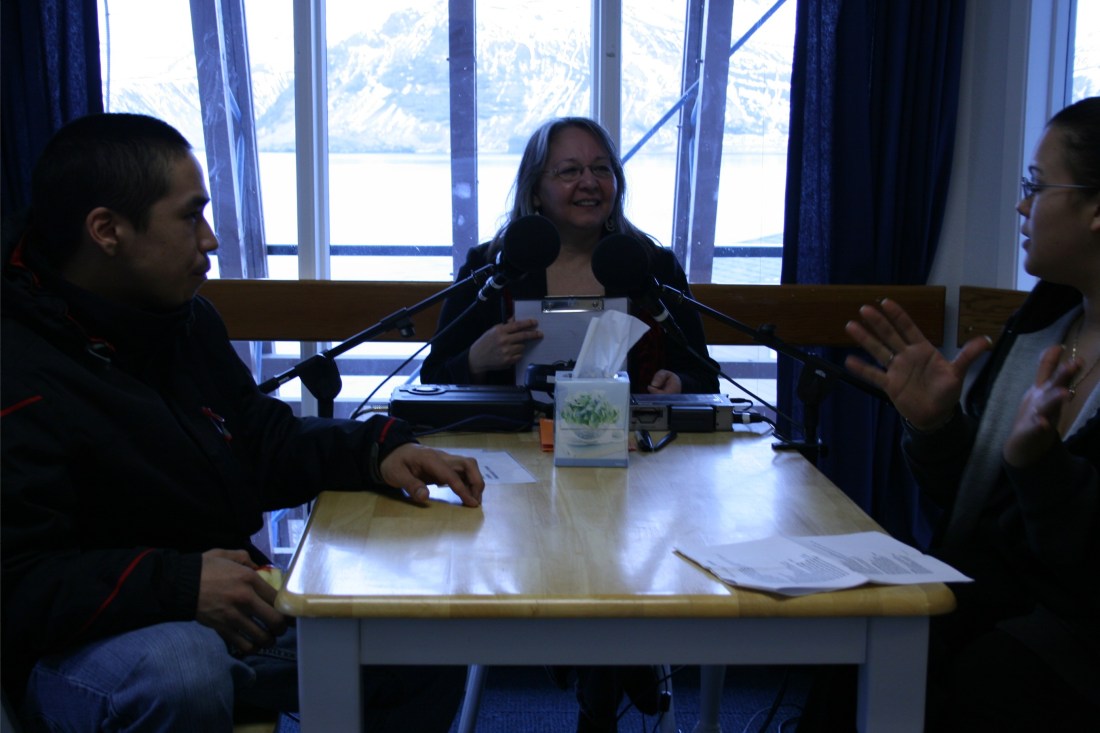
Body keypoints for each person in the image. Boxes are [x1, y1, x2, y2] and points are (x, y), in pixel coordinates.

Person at [0, 113, 486, 732]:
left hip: (198, 599)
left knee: (414, 637)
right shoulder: (17, 367)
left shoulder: (180, 322)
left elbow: (258, 441)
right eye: (189, 216)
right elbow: (17, 584)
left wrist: (375, 451)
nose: (210, 240)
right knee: (186, 671)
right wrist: (177, 587)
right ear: (107, 230)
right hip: (72, 651)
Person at [801, 97, 1100, 731]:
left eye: (1036, 187)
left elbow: (1084, 564)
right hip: (999, 598)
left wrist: (1040, 464)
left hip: (1077, 632)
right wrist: (937, 426)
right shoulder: (1047, 326)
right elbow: (982, 512)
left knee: (977, 680)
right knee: (858, 636)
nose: (1022, 206)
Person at [420, 115, 720, 396]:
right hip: (509, 445)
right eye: (570, 171)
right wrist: (475, 360)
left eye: (602, 169)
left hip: (637, 446)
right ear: (536, 189)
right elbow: (432, 380)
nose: (589, 182)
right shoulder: (490, 267)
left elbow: (705, 377)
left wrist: (680, 384)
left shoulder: (653, 265)